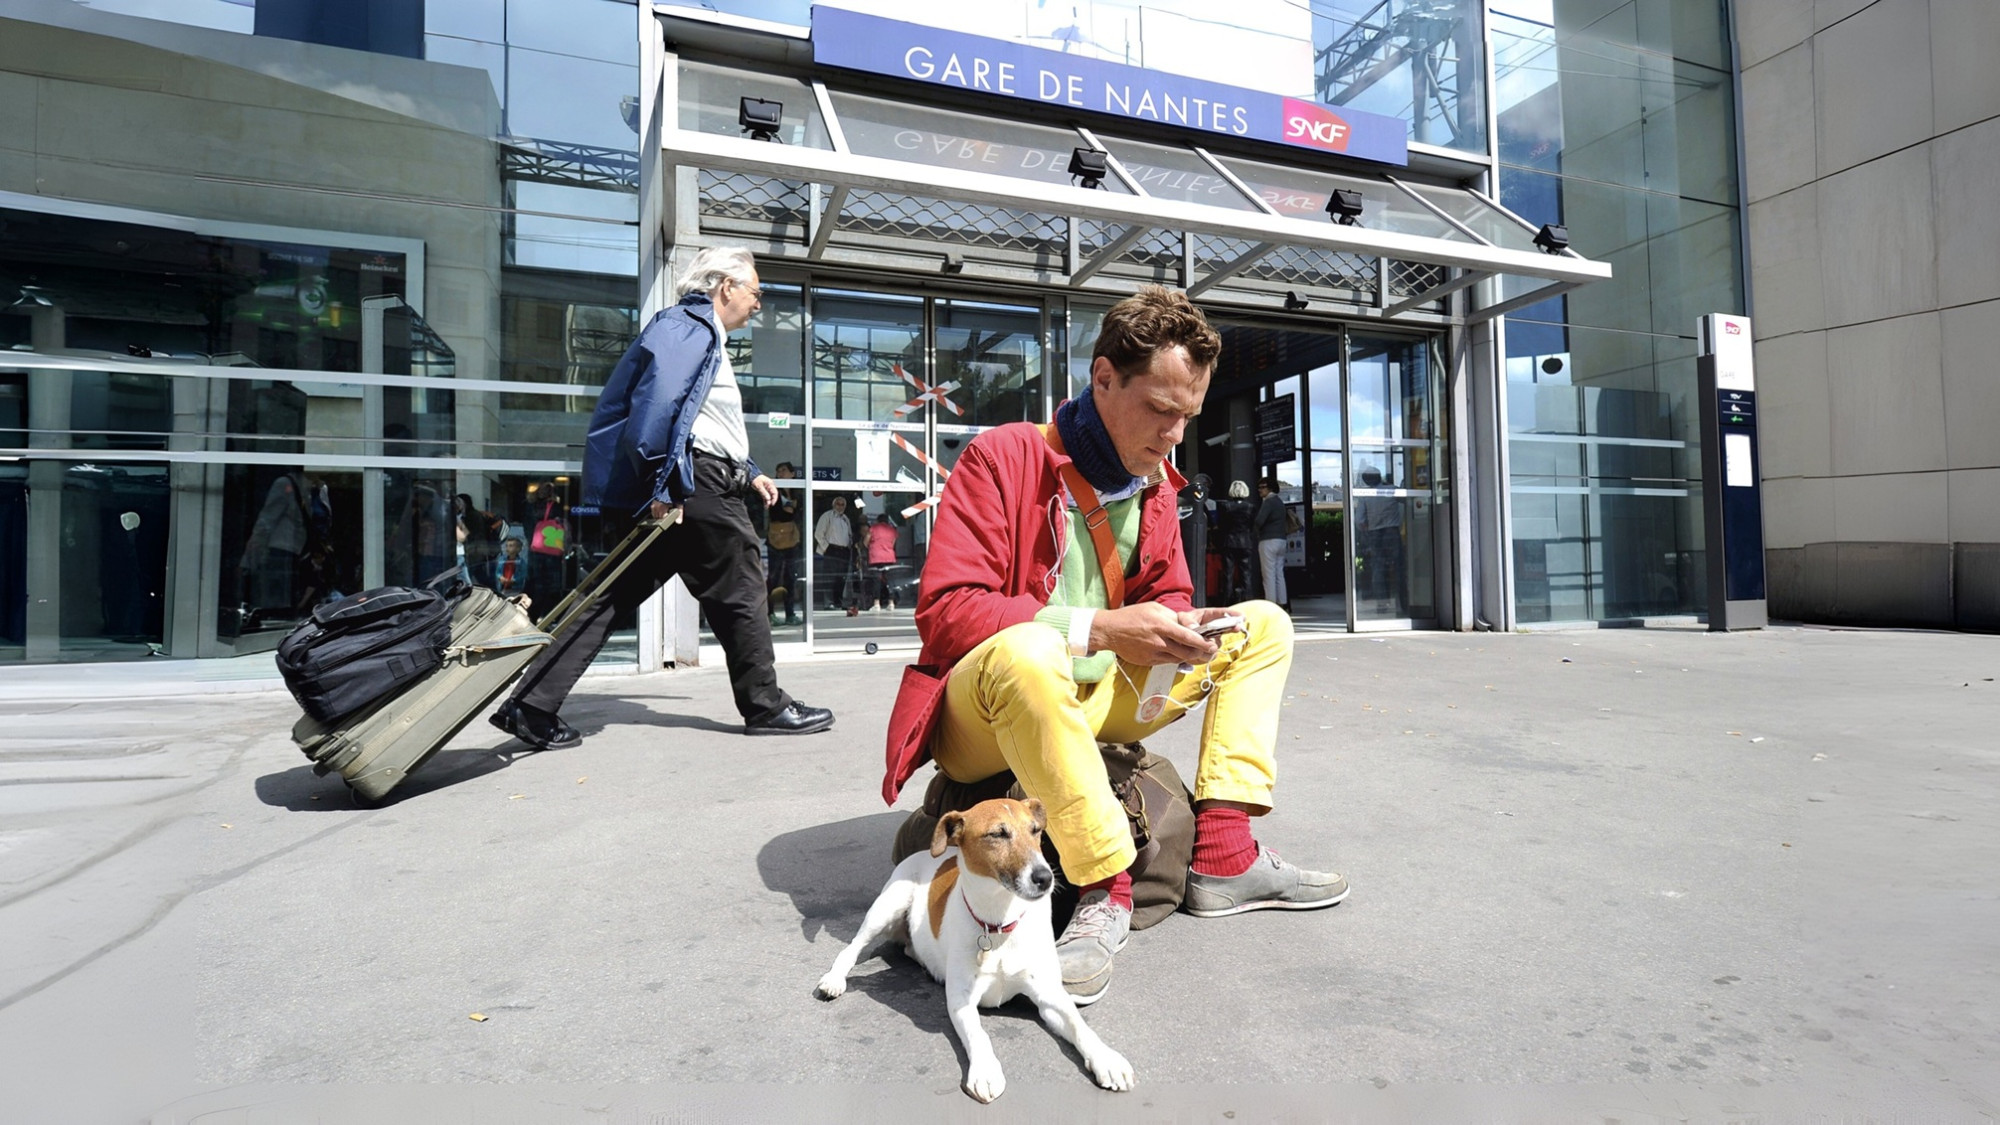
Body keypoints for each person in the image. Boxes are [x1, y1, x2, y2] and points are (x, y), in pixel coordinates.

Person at [881, 285, 1345, 1008]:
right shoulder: (1003, 456)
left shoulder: (1156, 484)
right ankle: (1104, 888)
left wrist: (1188, 626)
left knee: (1263, 624)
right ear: (1103, 379)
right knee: (1032, 652)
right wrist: (1098, 627)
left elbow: (1171, 594)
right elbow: (945, 613)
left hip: (1097, 698)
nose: (1174, 435)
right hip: (987, 717)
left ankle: (1224, 856)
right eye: (1161, 409)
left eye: (1187, 416)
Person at [489, 246, 835, 749]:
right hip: (693, 487)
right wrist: (662, 485)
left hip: (693, 482)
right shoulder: (688, 329)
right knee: (742, 592)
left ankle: (530, 706)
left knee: (610, 596)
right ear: (725, 287)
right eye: (756, 292)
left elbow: (700, 420)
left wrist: (751, 471)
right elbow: (654, 409)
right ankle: (766, 707)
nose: (759, 304)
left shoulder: (698, 334)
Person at [765, 462, 804, 625]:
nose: (780, 473)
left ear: (792, 474)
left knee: (791, 577)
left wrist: (791, 508)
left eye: (783, 470)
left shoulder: (797, 491)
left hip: (792, 537)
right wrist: (790, 508)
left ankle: (790, 613)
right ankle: (769, 612)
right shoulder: (774, 489)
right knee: (773, 577)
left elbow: (798, 511)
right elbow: (779, 511)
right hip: (776, 537)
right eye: (778, 471)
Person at [813, 493, 857, 615]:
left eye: (843, 504)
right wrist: (826, 548)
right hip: (831, 549)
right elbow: (818, 534)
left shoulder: (845, 518)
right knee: (830, 577)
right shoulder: (827, 516)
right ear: (834, 504)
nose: (840, 506)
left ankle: (838, 601)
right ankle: (829, 602)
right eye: (838, 504)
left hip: (844, 551)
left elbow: (849, 535)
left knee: (841, 577)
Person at [1216, 479, 1258, 603]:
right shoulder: (1251, 507)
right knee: (1246, 574)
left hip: (1229, 542)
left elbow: (1221, 525)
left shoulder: (1225, 506)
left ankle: (1226, 602)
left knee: (1228, 574)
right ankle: (1247, 600)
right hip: (1245, 542)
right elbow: (1251, 526)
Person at [1254, 476, 1290, 613]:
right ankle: (1283, 602)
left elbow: (1259, 521)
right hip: (1281, 540)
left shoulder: (1268, 502)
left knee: (1268, 574)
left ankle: (1271, 605)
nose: (1259, 490)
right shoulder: (1280, 502)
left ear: (1269, 488)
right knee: (1279, 573)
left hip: (1268, 540)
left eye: (1262, 487)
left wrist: (1256, 530)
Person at [866, 511, 900, 611]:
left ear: (878, 520)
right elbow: (893, 543)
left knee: (876, 581)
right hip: (889, 557)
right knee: (890, 581)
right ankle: (891, 603)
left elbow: (866, 541)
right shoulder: (892, 530)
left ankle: (876, 604)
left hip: (876, 557)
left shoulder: (873, 528)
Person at [489, 535, 530, 600]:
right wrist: (500, 577)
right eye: (507, 546)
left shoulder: (521, 562)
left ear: (518, 548)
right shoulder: (502, 560)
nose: (507, 548)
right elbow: (498, 571)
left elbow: (523, 574)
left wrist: (514, 580)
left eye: (511, 546)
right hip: (503, 588)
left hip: (516, 589)